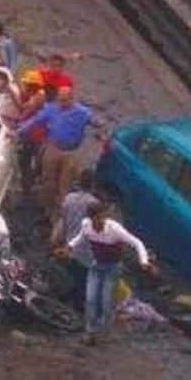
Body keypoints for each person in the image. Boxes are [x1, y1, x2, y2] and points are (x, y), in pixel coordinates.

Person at [62, 201, 155, 345]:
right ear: (91, 218)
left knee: (106, 301)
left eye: (101, 217)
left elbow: (137, 243)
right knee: (91, 299)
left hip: (113, 268)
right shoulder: (86, 226)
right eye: (96, 218)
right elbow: (80, 237)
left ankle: (105, 331)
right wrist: (70, 246)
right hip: (96, 266)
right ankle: (90, 332)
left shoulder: (115, 229)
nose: (99, 221)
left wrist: (144, 261)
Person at [19, 86, 93, 211]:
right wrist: (18, 131)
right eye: (60, 100)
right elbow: (35, 121)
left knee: (66, 182)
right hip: (53, 148)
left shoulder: (83, 113)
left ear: (72, 99)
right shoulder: (51, 109)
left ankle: (61, 210)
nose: (62, 104)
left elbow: (95, 122)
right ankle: (45, 207)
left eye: (65, 101)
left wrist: (102, 130)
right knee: (48, 179)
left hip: (70, 152)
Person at [50, 169, 102, 309]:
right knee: (81, 288)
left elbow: (62, 222)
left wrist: (56, 241)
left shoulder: (69, 198)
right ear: (93, 185)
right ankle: (75, 314)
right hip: (86, 254)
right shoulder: (95, 204)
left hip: (69, 248)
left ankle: (60, 306)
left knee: (66, 281)